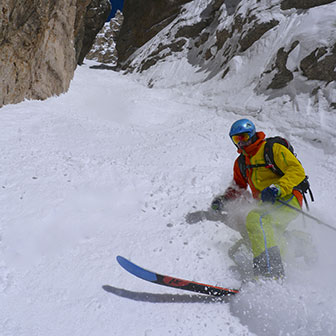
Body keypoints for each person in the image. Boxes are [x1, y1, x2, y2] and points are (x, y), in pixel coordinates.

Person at [211, 119, 306, 279]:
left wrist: (278, 188)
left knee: (256, 219)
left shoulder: (272, 149)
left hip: (288, 199)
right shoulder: (241, 162)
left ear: (253, 134)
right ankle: (302, 242)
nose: (242, 142)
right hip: (266, 205)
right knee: (266, 234)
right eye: (237, 139)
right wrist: (224, 199)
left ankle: (268, 272)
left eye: (245, 136)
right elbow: (239, 186)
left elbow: (297, 170)